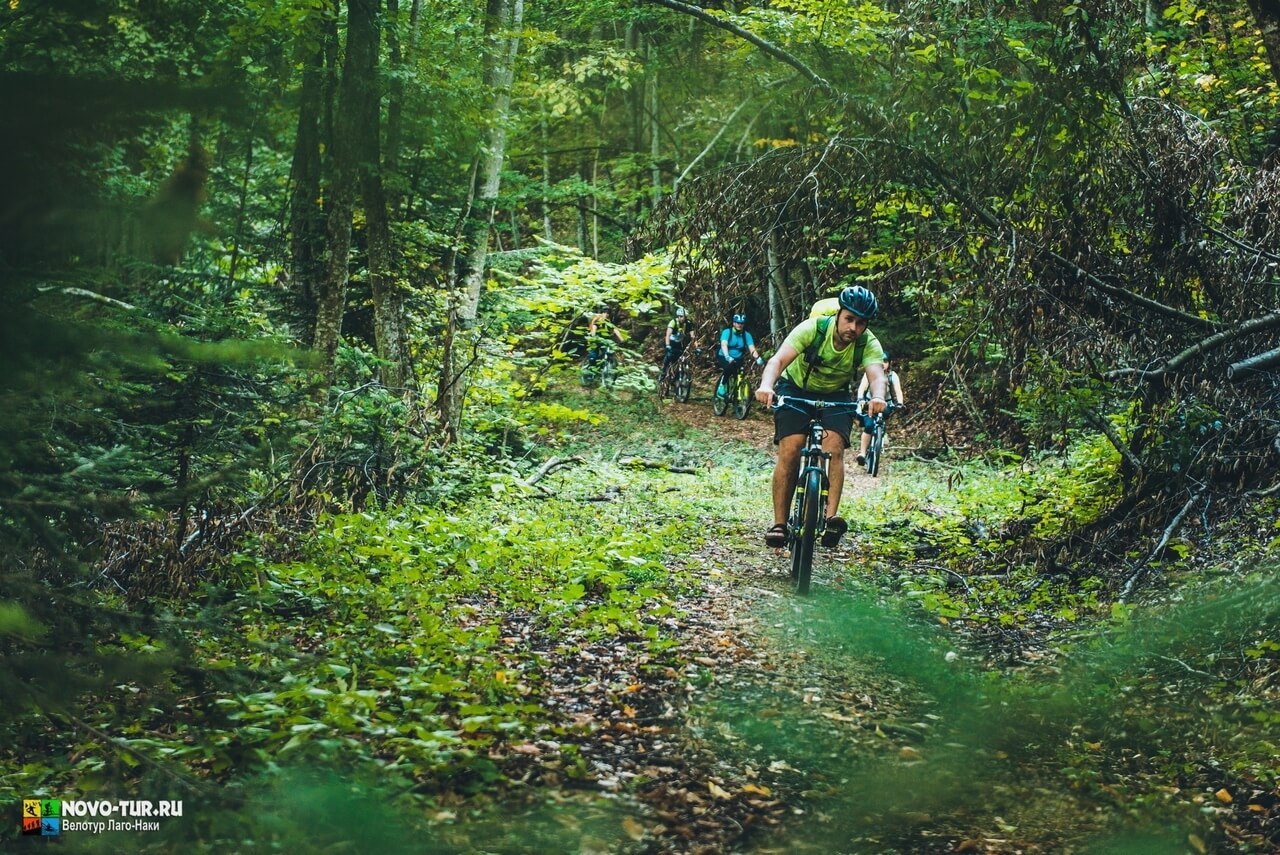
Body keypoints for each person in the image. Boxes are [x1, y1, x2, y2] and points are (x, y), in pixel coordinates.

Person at [754, 285, 888, 549]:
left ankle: (830, 520)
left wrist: (878, 397)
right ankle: (779, 524)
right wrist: (766, 386)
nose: (853, 327)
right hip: (795, 389)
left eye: (860, 323)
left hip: (836, 395)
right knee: (791, 449)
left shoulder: (867, 342)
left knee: (834, 449)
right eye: (849, 319)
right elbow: (778, 361)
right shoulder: (813, 329)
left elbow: (876, 374)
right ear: (838, 314)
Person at [856, 353, 904, 465]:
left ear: (889, 363)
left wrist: (900, 403)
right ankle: (862, 453)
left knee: (881, 420)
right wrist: (860, 398)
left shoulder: (892, 375)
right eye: (880, 360)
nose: (883, 363)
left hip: (886, 404)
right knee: (868, 426)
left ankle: (881, 433)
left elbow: (898, 391)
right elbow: (862, 388)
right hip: (869, 402)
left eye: (886, 361)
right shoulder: (870, 372)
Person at [717, 312, 763, 397]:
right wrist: (727, 356)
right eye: (738, 323)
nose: (740, 325)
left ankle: (738, 399)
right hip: (724, 356)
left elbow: (752, 348)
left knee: (739, 375)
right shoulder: (727, 332)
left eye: (742, 323)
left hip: (738, 358)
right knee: (728, 368)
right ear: (734, 323)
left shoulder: (747, 335)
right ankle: (721, 386)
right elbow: (724, 345)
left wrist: (757, 358)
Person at [585, 303, 623, 379]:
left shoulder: (608, 321)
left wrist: (621, 339)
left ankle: (605, 368)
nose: (606, 314)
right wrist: (593, 336)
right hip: (596, 338)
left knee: (608, 352)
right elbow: (594, 327)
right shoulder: (598, 318)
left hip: (605, 340)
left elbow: (615, 329)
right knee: (593, 355)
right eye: (605, 312)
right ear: (602, 312)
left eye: (608, 313)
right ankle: (588, 372)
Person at [660, 306, 691, 382]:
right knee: (669, 356)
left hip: (680, 344)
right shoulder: (673, 322)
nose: (681, 318)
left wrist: (697, 347)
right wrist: (667, 345)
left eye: (682, 316)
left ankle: (676, 377)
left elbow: (693, 336)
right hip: (671, 343)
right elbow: (668, 335)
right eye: (679, 316)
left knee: (681, 360)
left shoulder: (688, 324)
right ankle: (663, 372)